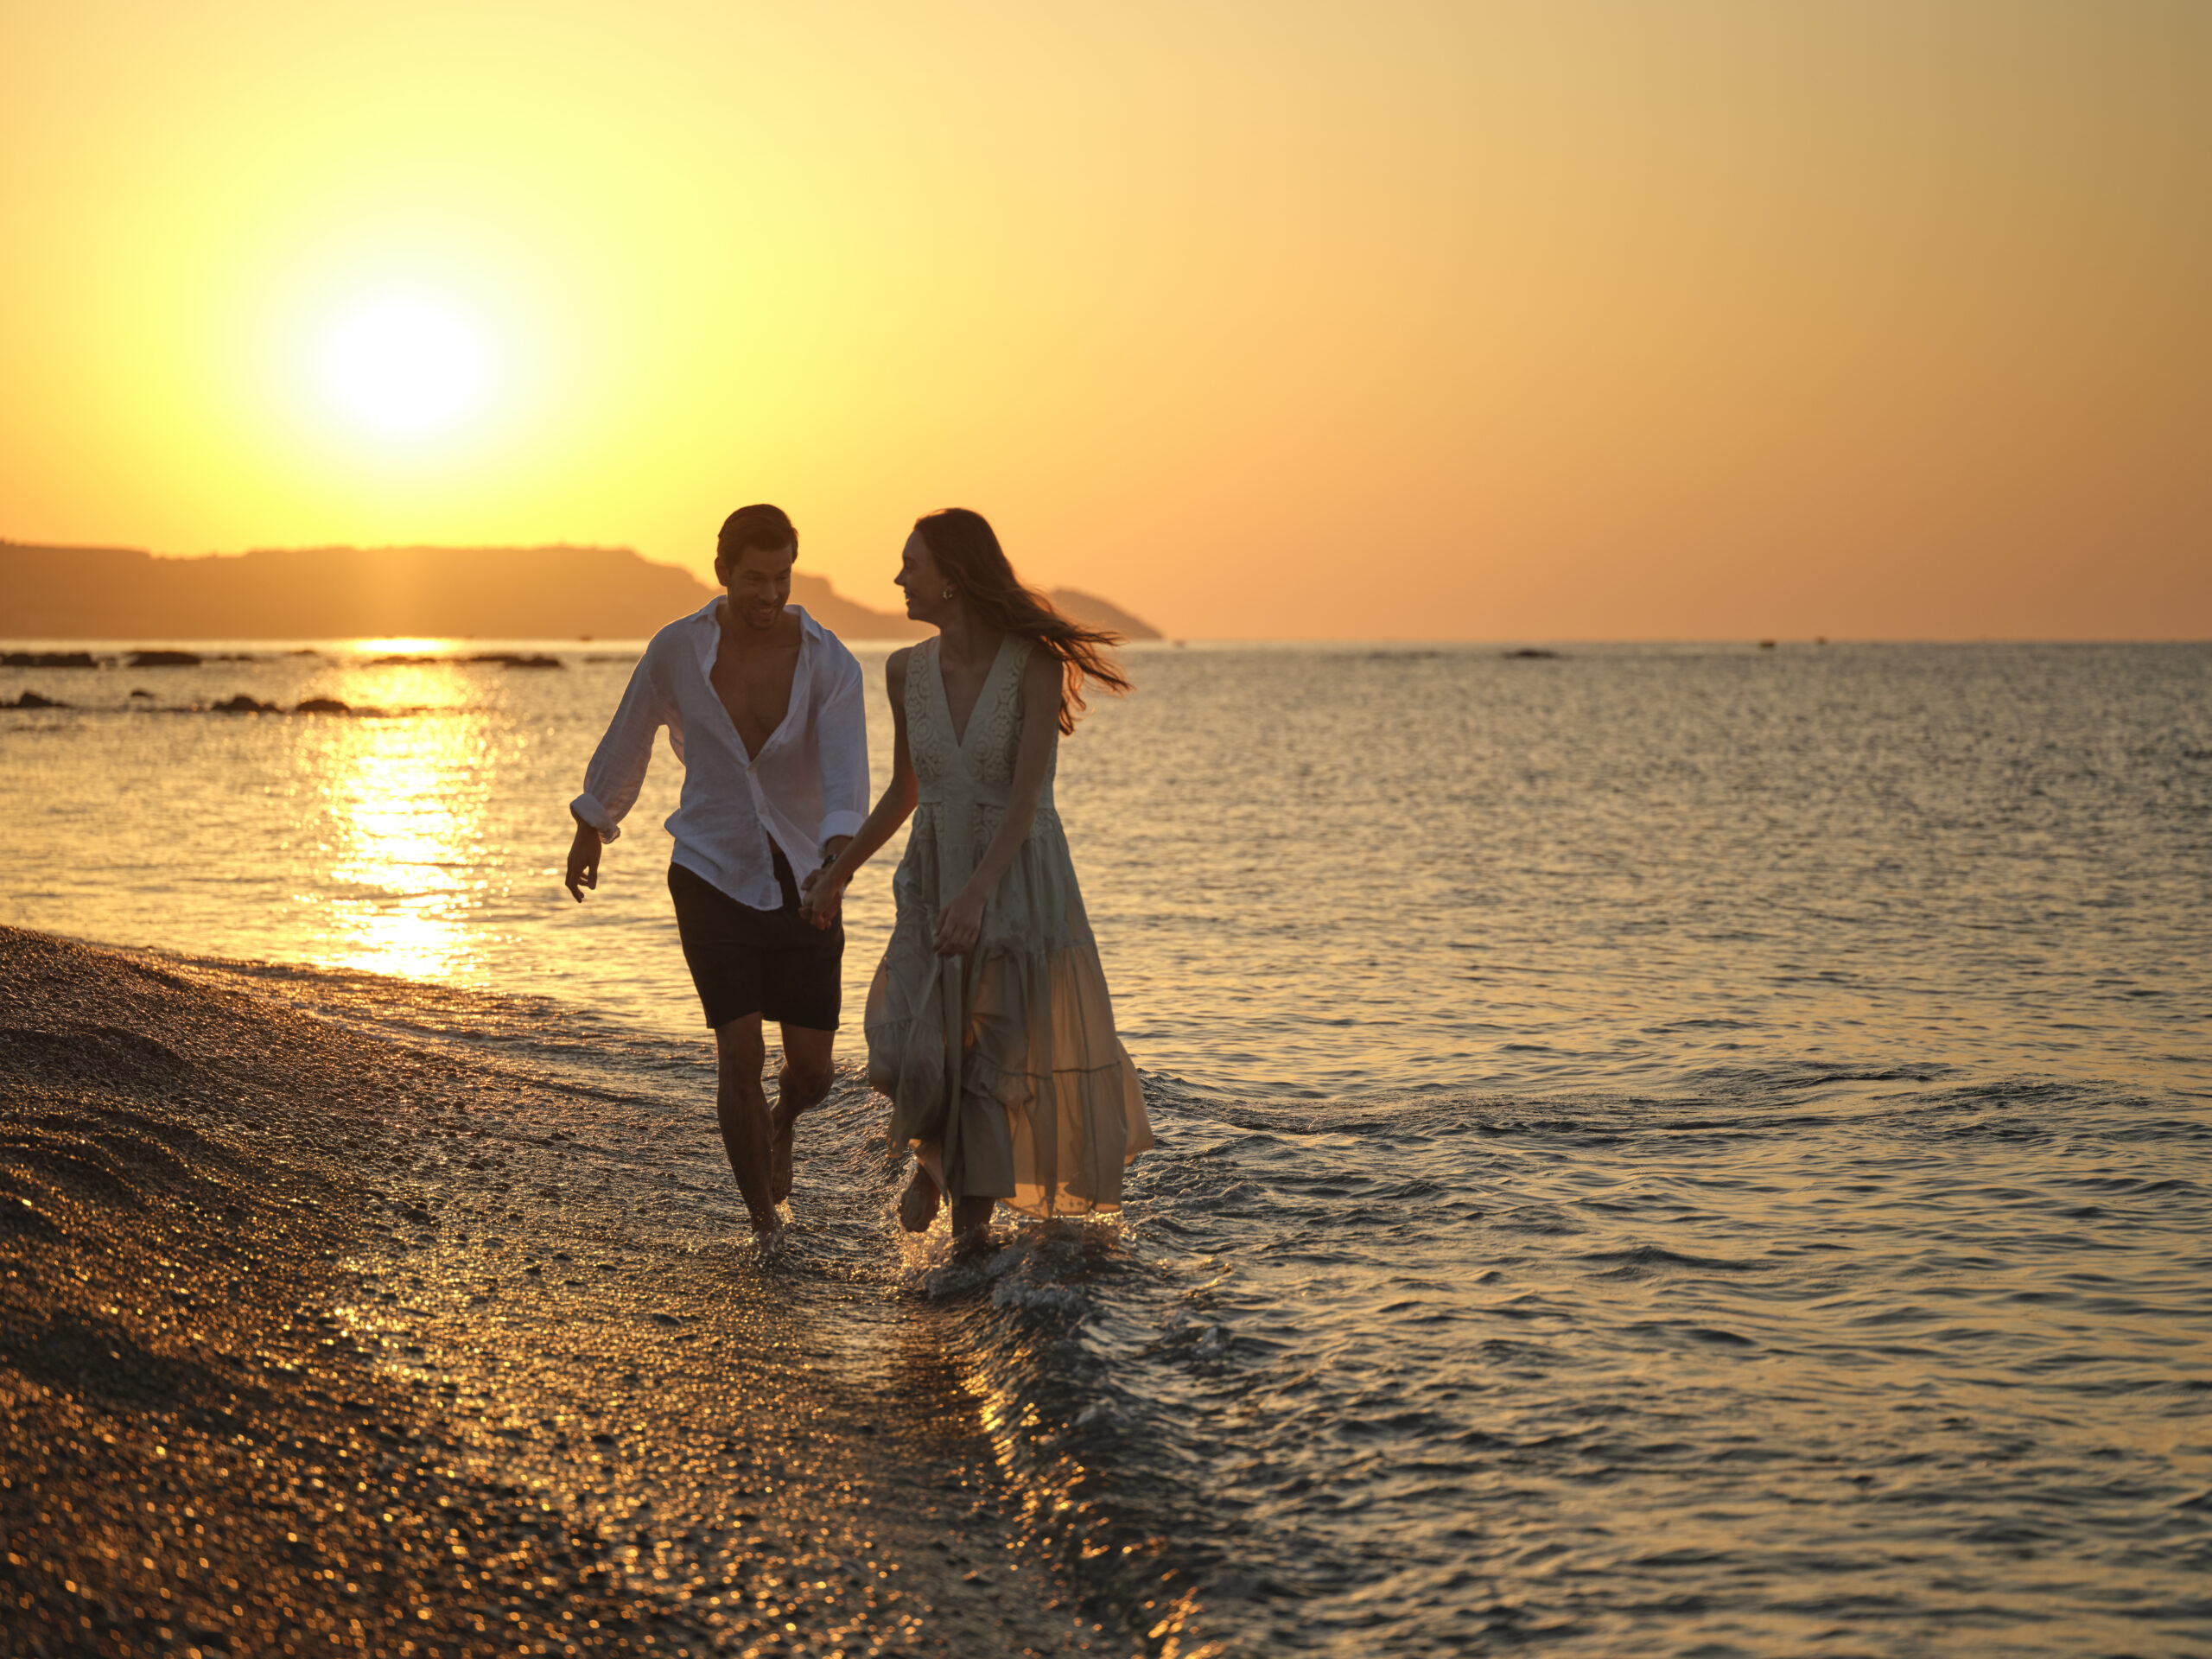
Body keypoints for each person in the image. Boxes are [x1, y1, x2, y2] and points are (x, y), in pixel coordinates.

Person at [802, 508, 1154, 1241]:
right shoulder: (905, 671)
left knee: (990, 1065)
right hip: (931, 879)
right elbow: (905, 793)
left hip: (1018, 883)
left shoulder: (1034, 666)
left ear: (953, 580)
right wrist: (839, 875)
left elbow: (1027, 801)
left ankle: (968, 1253)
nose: (900, 578)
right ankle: (932, 1163)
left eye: (913, 565)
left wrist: (978, 895)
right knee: (901, 1054)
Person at [565, 505, 868, 1238]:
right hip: (708, 868)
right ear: (723, 572)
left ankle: (784, 1119)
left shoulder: (831, 663)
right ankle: (766, 1228)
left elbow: (846, 783)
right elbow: (630, 731)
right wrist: (592, 825)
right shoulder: (678, 650)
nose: (769, 594)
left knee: (813, 1074)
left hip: (804, 877)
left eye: (782, 577)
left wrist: (833, 867)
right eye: (754, 579)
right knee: (738, 1053)